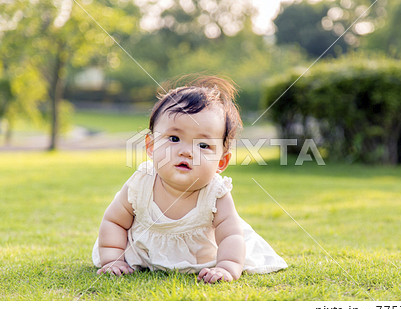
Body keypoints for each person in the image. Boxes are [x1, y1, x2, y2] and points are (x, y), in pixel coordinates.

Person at [92, 76, 287, 283]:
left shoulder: (216, 194)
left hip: (203, 257)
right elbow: (114, 221)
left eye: (203, 145)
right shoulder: (141, 183)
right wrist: (113, 259)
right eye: (174, 139)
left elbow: (231, 236)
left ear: (221, 161)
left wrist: (226, 267)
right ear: (151, 146)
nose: (187, 152)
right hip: (144, 253)